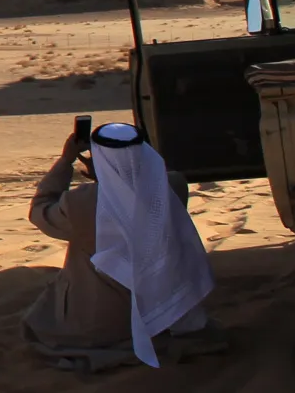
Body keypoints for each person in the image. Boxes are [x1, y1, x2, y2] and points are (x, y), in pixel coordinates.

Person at [24, 121, 216, 370]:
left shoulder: (80, 203)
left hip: (101, 322)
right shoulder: (173, 186)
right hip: (164, 313)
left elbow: (40, 210)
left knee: (39, 322)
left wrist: (66, 161)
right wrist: (112, 172)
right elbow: (143, 183)